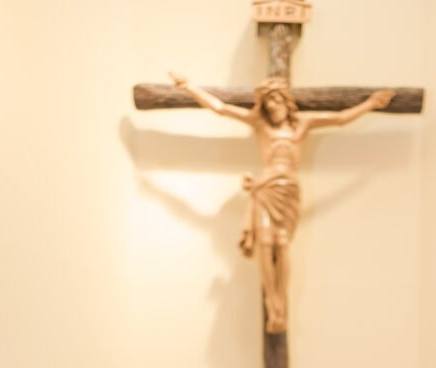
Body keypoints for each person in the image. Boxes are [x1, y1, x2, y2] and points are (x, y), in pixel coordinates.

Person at [169, 73, 394, 333]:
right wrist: (188, 88)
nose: (273, 108)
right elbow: (220, 109)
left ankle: (281, 305)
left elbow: (341, 118)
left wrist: (370, 104)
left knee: (282, 244)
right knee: (266, 244)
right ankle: (271, 302)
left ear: (287, 102)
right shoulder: (259, 125)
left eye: (277, 102)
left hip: (288, 190)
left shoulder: (302, 126)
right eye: (268, 104)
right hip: (265, 188)